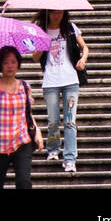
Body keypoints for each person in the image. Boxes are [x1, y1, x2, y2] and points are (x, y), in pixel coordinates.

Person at [0, 46, 44, 190]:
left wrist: (37, 132)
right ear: (0, 64)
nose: (10, 66)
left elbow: (28, 113)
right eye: (6, 62)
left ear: (18, 63)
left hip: (21, 141)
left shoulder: (25, 86)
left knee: (24, 183)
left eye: (13, 62)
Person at [33, 10, 89, 175]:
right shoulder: (41, 31)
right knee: (53, 120)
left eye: (59, 12)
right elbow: (35, 57)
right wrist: (43, 43)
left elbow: (85, 47)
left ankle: (70, 159)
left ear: (64, 13)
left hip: (71, 81)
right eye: (53, 13)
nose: (56, 15)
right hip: (50, 81)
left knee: (70, 121)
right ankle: (53, 148)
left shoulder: (71, 28)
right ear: (47, 13)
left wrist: (83, 60)